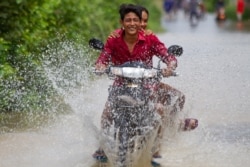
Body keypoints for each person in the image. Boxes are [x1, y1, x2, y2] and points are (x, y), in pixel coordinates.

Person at [92, 3, 198, 162]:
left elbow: (167, 55)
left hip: (147, 85)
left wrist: (170, 66)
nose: (134, 24)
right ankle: (102, 147)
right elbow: (103, 58)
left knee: (160, 110)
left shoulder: (149, 38)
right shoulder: (113, 39)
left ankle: (156, 150)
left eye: (138, 20)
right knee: (107, 113)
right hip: (120, 85)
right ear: (122, 22)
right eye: (129, 20)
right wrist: (100, 66)